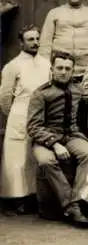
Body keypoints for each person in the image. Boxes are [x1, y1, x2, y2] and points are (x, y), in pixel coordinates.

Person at [27, 51, 88, 226]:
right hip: (46, 139)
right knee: (46, 161)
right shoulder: (41, 93)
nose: (63, 72)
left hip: (71, 136)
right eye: (59, 68)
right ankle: (71, 205)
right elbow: (33, 127)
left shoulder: (78, 90)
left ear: (73, 71)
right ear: (52, 69)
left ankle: (78, 199)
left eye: (67, 68)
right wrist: (54, 144)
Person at [0, 25, 51, 214]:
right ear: (21, 42)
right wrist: (14, 114)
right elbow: (5, 98)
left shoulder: (46, 63)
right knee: (16, 159)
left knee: (34, 157)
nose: (35, 43)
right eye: (30, 39)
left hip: (40, 115)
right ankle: (15, 199)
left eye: (37, 39)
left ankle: (34, 198)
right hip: (19, 114)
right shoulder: (12, 66)